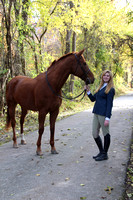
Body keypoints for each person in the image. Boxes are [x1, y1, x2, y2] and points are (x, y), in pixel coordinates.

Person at [85, 70, 115, 161]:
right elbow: (93, 99)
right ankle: (101, 151)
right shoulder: (101, 87)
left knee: (106, 133)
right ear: (102, 77)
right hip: (96, 113)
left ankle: (105, 154)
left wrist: (107, 118)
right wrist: (88, 92)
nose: (106, 77)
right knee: (94, 133)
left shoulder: (111, 89)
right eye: (104, 75)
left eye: (108, 76)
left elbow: (110, 104)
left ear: (110, 78)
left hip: (103, 114)